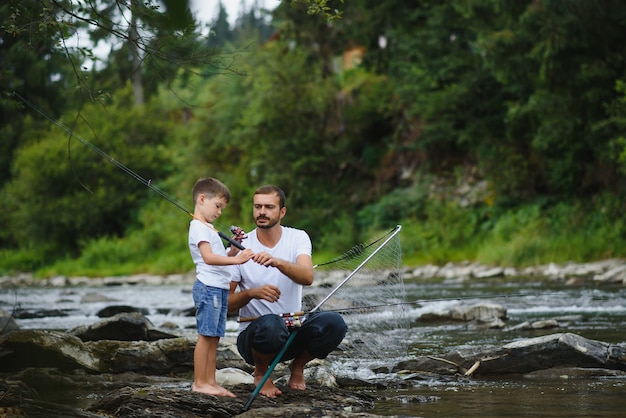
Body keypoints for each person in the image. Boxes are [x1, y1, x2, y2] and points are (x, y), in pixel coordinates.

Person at [228, 185, 348, 398]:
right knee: (272, 324)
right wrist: (251, 293)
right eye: (257, 206)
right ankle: (261, 372)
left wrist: (276, 262)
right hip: (253, 337)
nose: (262, 212)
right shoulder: (240, 246)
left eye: (269, 207)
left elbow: (307, 277)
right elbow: (225, 303)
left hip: (292, 330)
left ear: (282, 212)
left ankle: (298, 367)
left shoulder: (297, 238)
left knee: (334, 323)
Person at [188, 177, 254, 397]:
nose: (219, 212)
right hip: (208, 287)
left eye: (222, 209)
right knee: (205, 336)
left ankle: (211, 381)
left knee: (215, 336)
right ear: (202, 199)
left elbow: (220, 256)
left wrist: (233, 252)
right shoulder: (197, 227)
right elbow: (208, 258)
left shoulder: (210, 228)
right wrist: (238, 260)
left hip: (219, 288)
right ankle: (199, 382)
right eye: (217, 206)